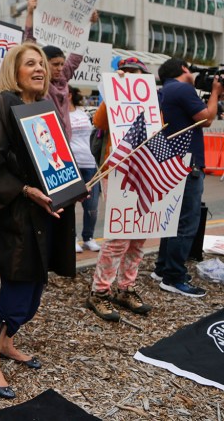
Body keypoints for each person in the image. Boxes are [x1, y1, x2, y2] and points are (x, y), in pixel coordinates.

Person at [0, 42, 76, 399]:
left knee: (34, 289)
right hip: (14, 215)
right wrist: (25, 190)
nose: (40, 68)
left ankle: (8, 343)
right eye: (30, 63)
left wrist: (71, 185)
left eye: (42, 63)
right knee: (18, 289)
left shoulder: (42, 108)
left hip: (42, 214)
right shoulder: (1, 107)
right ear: (14, 70)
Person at [85, 57, 156, 320]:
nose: (131, 76)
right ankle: (100, 291)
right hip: (116, 171)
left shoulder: (151, 99)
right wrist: (116, 90)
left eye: (137, 73)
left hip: (144, 171)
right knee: (119, 236)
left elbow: (157, 128)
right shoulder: (113, 96)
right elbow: (100, 122)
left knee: (138, 237)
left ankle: (126, 288)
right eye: (126, 72)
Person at [152, 58, 223, 298]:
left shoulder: (165, 90)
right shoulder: (182, 89)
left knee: (172, 219)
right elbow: (207, 118)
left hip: (172, 162)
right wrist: (215, 92)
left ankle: (162, 269)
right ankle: (173, 277)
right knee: (186, 222)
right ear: (184, 68)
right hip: (187, 165)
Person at [23, 0, 96, 140]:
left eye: (62, 64)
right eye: (55, 64)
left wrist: (88, 23)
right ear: (43, 63)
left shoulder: (63, 78)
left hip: (65, 141)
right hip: (44, 140)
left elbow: (77, 54)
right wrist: (30, 13)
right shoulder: (38, 82)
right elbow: (29, 43)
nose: (60, 68)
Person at [68, 86, 101, 254]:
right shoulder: (59, 114)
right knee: (70, 206)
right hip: (71, 164)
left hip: (89, 163)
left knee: (92, 205)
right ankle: (72, 238)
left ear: (69, 95)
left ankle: (88, 237)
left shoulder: (83, 113)